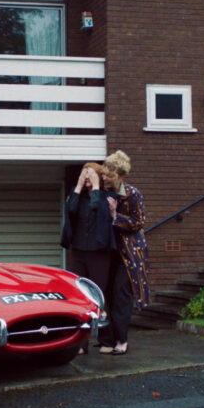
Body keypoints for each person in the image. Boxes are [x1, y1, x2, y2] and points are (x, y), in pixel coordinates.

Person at [60, 161, 114, 354]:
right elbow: (71, 210)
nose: (87, 177)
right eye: (84, 174)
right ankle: (80, 343)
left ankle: (106, 339)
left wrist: (97, 186)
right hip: (79, 250)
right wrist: (79, 186)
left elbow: (97, 210)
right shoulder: (77, 196)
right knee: (79, 294)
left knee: (99, 294)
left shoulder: (106, 197)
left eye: (90, 174)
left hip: (99, 252)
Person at [101, 150, 148, 356]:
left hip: (128, 254)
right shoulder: (102, 193)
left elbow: (139, 222)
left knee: (121, 294)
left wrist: (115, 215)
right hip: (108, 251)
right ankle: (109, 339)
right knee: (107, 294)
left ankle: (122, 340)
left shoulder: (133, 194)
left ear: (120, 176)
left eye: (109, 175)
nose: (104, 178)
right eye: (103, 174)